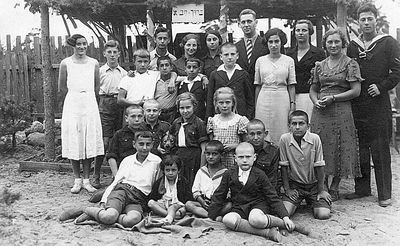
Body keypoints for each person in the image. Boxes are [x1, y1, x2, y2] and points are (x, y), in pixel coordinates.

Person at [346, 3, 400, 207]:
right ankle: (362, 189)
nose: (366, 23)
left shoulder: (388, 43)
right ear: (358, 22)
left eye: (370, 19)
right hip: (358, 103)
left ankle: (384, 193)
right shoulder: (353, 45)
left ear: (376, 20)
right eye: (363, 19)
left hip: (379, 103)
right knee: (360, 147)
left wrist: (382, 86)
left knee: (380, 148)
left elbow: (397, 71)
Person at [309, 28, 362, 201]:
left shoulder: (350, 64)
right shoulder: (319, 65)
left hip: (341, 108)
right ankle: (322, 183)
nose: (333, 45)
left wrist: (334, 98)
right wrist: (315, 100)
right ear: (324, 44)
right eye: (329, 42)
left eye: (336, 41)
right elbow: (313, 89)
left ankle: (335, 186)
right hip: (321, 110)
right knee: (321, 145)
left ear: (343, 43)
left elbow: (356, 91)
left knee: (341, 144)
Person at [208, 142, 295, 243]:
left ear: (254, 157)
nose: (244, 160)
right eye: (241, 157)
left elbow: (272, 196)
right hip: (239, 207)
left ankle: (281, 223)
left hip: (257, 205)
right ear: (235, 158)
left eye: (248, 157)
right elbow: (219, 195)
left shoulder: (260, 174)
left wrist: (285, 217)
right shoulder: (229, 173)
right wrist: (211, 216)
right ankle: (267, 232)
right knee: (228, 219)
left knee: (256, 220)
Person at [82, 131, 161, 228]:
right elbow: (116, 182)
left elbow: (156, 185)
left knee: (132, 220)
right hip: (122, 191)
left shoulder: (156, 161)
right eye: (141, 144)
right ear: (134, 144)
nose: (144, 148)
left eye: (148, 144)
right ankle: (86, 210)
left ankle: (108, 215)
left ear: (152, 145)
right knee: (108, 217)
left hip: (139, 199)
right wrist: (103, 201)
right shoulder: (128, 160)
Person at [58, 34, 103, 194]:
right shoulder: (66, 63)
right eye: (79, 44)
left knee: (88, 138)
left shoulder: (94, 63)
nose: (82, 47)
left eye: (84, 44)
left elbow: (97, 87)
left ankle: (86, 179)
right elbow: (62, 88)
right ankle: (77, 180)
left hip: (89, 101)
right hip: (73, 103)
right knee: (75, 139)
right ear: (73, 45)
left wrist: (90, 100)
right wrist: (73, 101)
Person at [279, 110, 331, 220]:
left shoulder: (315, 138)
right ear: (289, 126)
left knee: (323, 214)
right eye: (294, 124)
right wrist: (287, 189)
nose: (297, 127)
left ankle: (312, 200)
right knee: (285, 212)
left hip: (314, 185)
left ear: (308, 126)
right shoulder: (285, 139)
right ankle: (299, 201)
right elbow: (284, 166)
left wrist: (321, 190)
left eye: (301, 123)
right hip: (296, 185)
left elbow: (320, 166)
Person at [93, 40, 127, 189]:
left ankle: (118, 176)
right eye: (109, 52)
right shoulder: (100, 71)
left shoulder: (124, 73)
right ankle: (96, 175)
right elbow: (94, 90)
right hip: (105, 104)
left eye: (115, 52)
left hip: (119, 106)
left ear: (119, 54)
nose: (112, 55)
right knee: (104, 142)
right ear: (104, 54)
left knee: (119, 140)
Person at [254, 28, 296, 144]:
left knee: (282, 128)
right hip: (263, 97)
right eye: (270, 42)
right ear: (266, 43)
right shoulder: (260, 61)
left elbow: (291, 85)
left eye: (276, 41)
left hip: (282, 98)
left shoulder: (288, 60)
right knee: (263, 128)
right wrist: (256, 106)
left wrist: (292, 105)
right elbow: (257, 85)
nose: (273, 45)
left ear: (281, 42)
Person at [286, 19, 326, 118]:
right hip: (292, 97)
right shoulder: (289, 54)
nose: (300, 33)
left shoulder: (318, 53)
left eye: (304, 30)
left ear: (310, 32)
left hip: (309, 96)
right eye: (297, 30)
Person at [206, 42, 254, 119]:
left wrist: (248, 117)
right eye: (226, 55)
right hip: (220, 115)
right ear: (221, 57)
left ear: (237, 56)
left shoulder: (243, 74)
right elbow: (210, 97)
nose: (229, 57)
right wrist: (209, 117)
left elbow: (249, 98)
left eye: (232, 54)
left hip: (240, 114)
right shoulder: (215, 74)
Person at [170, 92, 208, 187]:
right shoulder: (176, 122)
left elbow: (204, 149)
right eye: (182, 108)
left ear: (194, 107)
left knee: (191, 182)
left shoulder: (199, 123)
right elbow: (170, 139)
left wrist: (202, 168)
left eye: (188, 107)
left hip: (193, 157)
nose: (185, 111)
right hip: (179, 156)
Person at [207, 87, 249, 169]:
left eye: (227, 102)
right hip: (218, 161)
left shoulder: (240, 120)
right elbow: (211, 142)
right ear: (216, 104)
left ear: (233, 103)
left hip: (234, 159)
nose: (224, 105)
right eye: (221, 103)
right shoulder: (212, 120)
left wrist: (235, 145)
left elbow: (246, 143)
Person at [185, 140, 229, 218]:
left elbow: (228, 193)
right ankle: (211, 217)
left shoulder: (226, 173)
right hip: (203, 203)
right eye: (208, 154)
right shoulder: (201, 171)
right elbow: (195, 190)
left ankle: (207, 215)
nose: (210, 157)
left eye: (214, 154)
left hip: (219, 204)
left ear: (222, 155)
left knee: (229, 206)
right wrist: (202, 201)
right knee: (188, 204)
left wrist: (216, 202)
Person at [148, 155, 192, 224]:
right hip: (163, 204)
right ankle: (170, 216)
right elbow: (153, 197)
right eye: (167, 170)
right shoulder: (159, 182)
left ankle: (169, 217)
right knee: (151, 203)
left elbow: (187, 198)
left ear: (179, 170)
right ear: (163, 170)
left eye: (173, 170)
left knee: (174, 207)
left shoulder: (183, 181)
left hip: (177, 205)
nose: (170, 173)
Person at [106, 105, 144, 177]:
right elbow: (111, 156)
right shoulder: (119, 134)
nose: (136, 119)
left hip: (142, 171)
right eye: (133, 116)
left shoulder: (146, 133)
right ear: (126, 118)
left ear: (143, 118)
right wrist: (117, 176)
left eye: (139, 116)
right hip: (124, 171)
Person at [235, 9, 268, 83]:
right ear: (239, 24)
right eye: (243, 22)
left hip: (261, 86)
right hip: (243, 89)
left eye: (249, 21)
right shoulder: (236, 47)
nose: (246, 25)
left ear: (256, 23)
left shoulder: (265, 44)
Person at [246, 119, 280, 191]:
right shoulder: (243, 150)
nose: (255, 138)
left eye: (259, 133)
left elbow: (272, 179)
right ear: (247, 135)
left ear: (265, 134)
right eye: (252, 134)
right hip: (247, 192)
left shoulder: (273, 151)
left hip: (266, 191)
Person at [154, 56, 177, 124]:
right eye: (161, 66)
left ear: (171, 67)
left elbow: (191, 77)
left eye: (167, 65)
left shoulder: (176, 80)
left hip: (171, 113)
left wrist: (203, 77)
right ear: (157, 68)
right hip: (158, 113)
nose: (164, 68)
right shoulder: (154, 80)